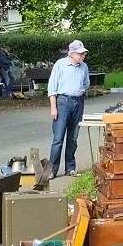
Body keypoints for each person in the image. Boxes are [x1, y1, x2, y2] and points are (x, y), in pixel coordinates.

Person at [48, 39, 90, 178]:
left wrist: (79, 90)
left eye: (83, 54)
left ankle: (70, 168)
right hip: (62, 102)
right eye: (80, 54)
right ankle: (52, 170)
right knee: (58, 138)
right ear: (72, 54)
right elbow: (52, 88)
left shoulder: (84, 67)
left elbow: (86, 83)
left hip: (78, 102)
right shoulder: (60, 65)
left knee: (73, 138)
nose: (83, 56)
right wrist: (53, 108)